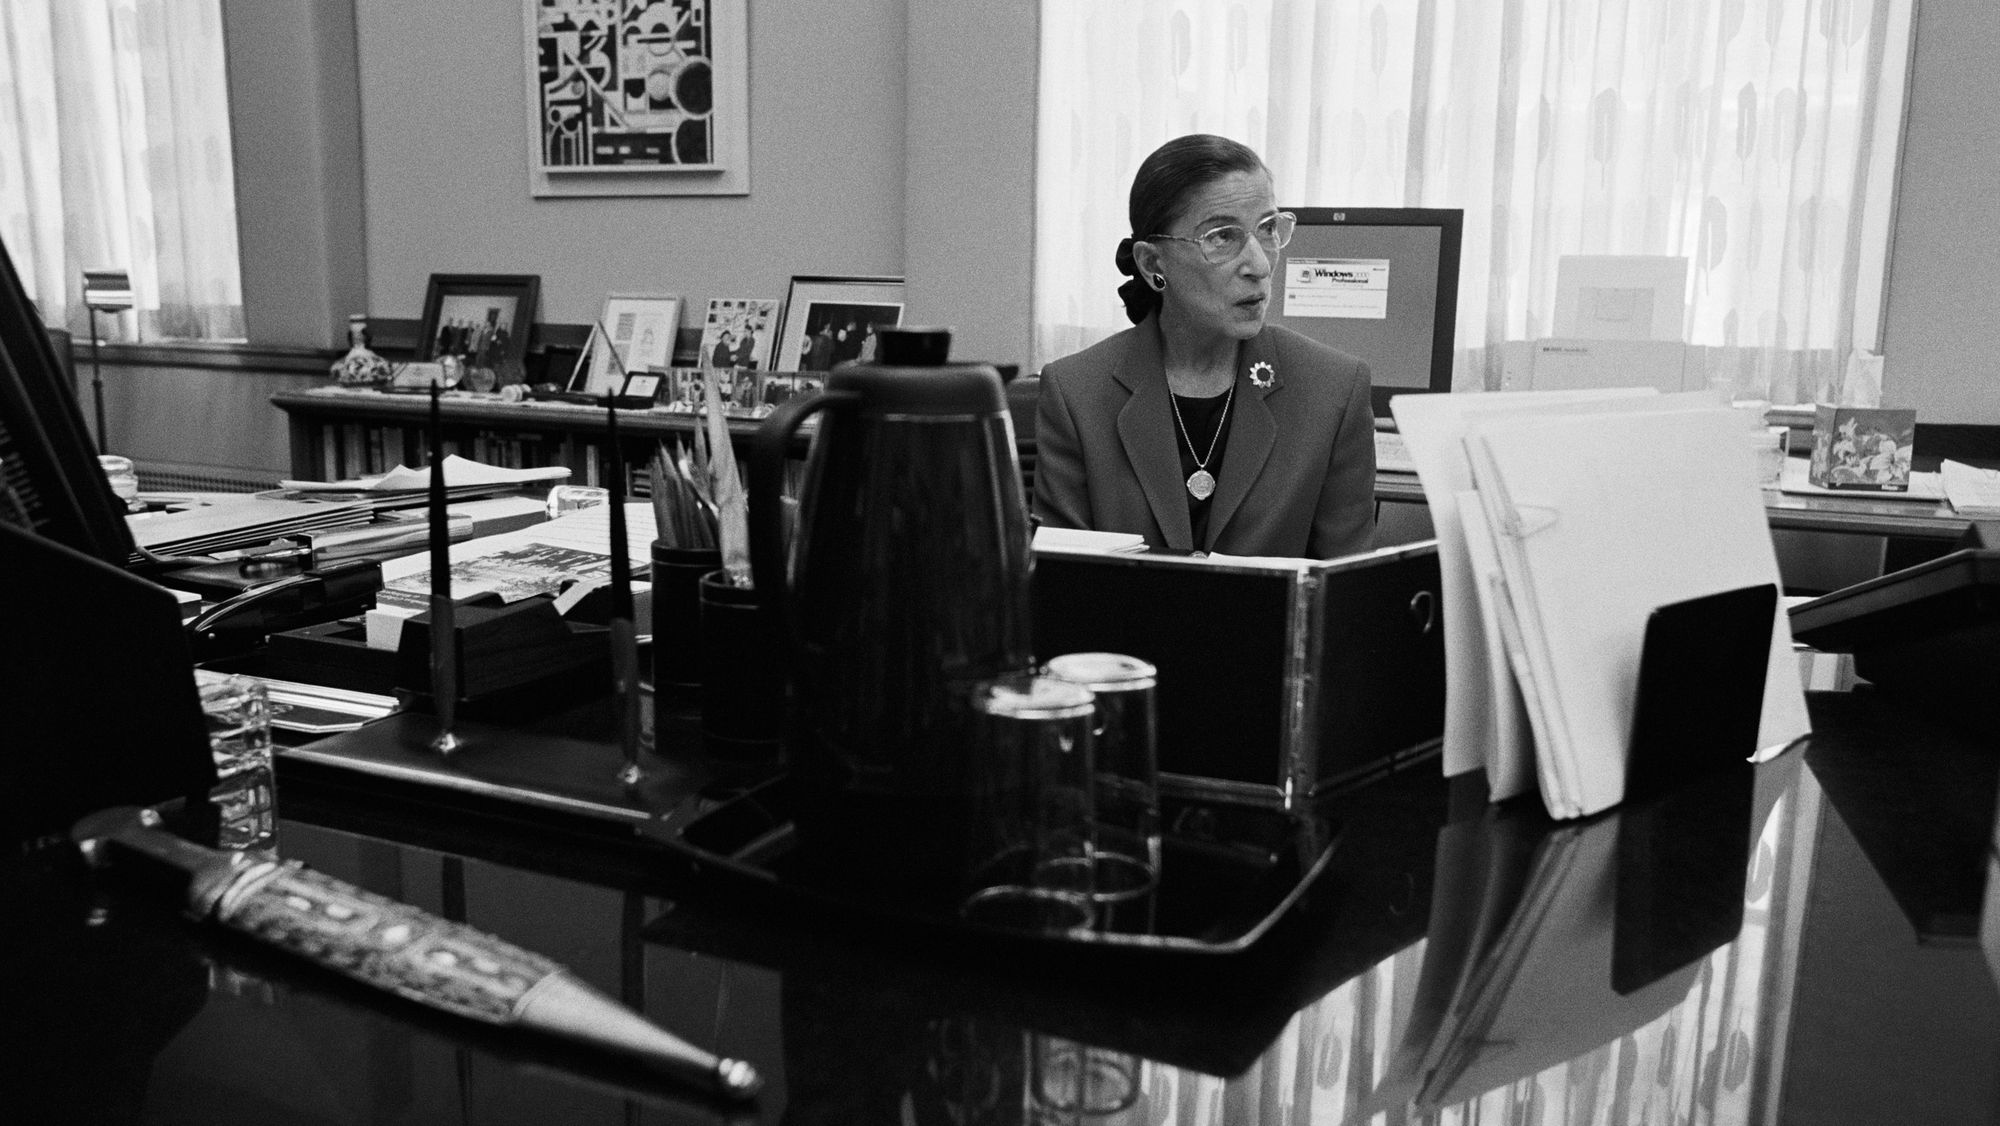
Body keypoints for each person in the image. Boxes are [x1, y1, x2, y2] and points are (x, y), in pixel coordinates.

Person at [1034, 134, 1376, 558]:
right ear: (1152, 263)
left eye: (1269, 229)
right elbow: (1060, 587)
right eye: (1221, 237)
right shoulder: (1076, 393)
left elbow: (1343, 593)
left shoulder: (1335, 391)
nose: (1260, 264)